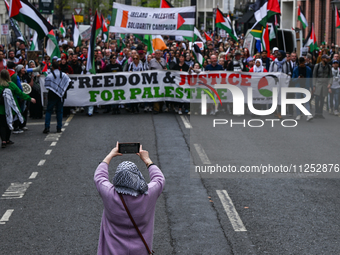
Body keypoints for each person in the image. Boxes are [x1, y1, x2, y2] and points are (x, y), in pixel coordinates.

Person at [94, 143, 165, 255]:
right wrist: (147, 160)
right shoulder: (148, 194)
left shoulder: (109, 193)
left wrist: (111, 155)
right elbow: (159, 179)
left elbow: (99, 176)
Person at [0, 69, 36, 148]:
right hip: (10, 108)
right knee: (9, 123)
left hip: (1, 109)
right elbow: (20, 93)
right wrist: (30, 98)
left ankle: (3, 140)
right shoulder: (11, 84)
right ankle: (7, 139)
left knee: (2, 125)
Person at [43, 61, 71, 133]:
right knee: (59, 112)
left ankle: (47, 127)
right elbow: (69, 83)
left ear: (52, 67)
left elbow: (46, 85)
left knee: (49, 111)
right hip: (61, 95)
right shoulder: (64, 75)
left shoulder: (49, 75)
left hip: (52, 95)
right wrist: (63, 90)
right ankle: (59, 128)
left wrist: (53, 89)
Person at [292, 57, 313, 121]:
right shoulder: (296, 69)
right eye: (300, 62)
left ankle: (308, 115)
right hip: (298, 86)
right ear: (298, 62)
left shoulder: (308, 69)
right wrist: (297, 78)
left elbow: (311, 79)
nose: (301, 64)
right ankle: (298, 114)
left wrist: (312, 87)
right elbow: (292, 79)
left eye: (302, 62)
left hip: (306, 86)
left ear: (304, 62)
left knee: (307, 101)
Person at [313, 54, 332, 119]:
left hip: (325, 85)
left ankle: (320, 113)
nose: (327, 60)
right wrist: (314, 85)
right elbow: (314, 76)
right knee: (317, 99)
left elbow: (331, 76)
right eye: (326, 58)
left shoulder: (329, 67)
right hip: (318, 84)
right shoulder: (317, 66)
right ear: (323, 59)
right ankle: (316, 113)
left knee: (322, 100)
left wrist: (330, 84)